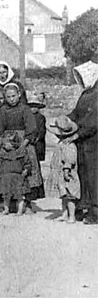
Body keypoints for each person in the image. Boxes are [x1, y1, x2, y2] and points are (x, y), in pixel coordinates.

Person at [59, 60, 98, 224]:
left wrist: (76, 135)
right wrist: (65, 119)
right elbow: (76, 113)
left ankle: (95, 211)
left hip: (94, 141)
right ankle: (84, 206)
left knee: (94, 176)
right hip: (84, 141)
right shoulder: (86, 94)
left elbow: (94, 121)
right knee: (83, 174)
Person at [0, 83, 44, 210]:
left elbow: (31, 128)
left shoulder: (25, 109)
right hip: (7, 142)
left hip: (23, 142)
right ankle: (9, 202)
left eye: (14, 96)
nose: (12, 99)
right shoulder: (3, 111)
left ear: (19, 95)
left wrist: (24, 144)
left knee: (26, 169)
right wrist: (3, 142)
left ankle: (26, 203)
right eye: (9, 97)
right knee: (8, 170)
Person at [46, 118, 80, 224]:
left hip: (67, 174)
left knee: (70, 196)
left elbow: (70, 159)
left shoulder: (69, 145)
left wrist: (66, 170)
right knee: (63, 195)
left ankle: (72, 216)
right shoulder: (62, 143)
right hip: (60, 173)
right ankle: (64, 214)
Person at [0, 130, 32, 216]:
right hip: (5, 177)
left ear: (14, 144)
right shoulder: (2, 153)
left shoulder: (21, 152)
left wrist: (26, 170)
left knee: (19, 195)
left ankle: (20, 210)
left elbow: (27, 163)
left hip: (17, 176)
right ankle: (6, 209)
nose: (4, 145)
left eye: (6, 143)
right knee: (6, 194)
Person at [27, 92, 48, 163]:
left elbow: (42, 130)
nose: (33, 108)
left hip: (38, 142)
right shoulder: (26, 117)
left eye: (35, 106)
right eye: (31, 106)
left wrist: (38, 138)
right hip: (28, 140)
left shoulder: (41, 117)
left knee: (37, 160)